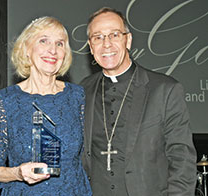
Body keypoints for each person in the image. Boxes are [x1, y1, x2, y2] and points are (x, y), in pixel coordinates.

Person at [81, 7, 197, 196]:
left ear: (128, 39)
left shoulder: (165, 89)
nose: (107, 44)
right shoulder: (82, 91)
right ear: (90, 46)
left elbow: (182, 159)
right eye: (98, 37)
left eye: (114, 35)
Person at [0, 16, 92, 196]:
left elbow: (87, 158)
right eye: (43, 41)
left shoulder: (77, 95)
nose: (52, 50)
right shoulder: (6, 99)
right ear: (26, 49)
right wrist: (18, 173)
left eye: (60, 44)